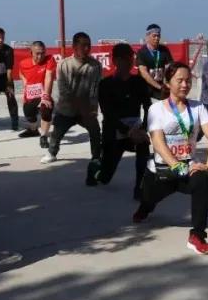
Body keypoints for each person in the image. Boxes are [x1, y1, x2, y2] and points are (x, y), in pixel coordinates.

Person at [133, 62, 208, 256]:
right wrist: (177, 166)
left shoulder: (198, 107)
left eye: (188, 81)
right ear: (167, 83)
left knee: (202, 182)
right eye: (180, 80)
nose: (185, 85)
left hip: (189, 167)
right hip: (162, 171)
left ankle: (197, 236)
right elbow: (157, 142)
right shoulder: (156, 109)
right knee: (148, 199)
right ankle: (145, 208)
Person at [97, 43, 152, 199]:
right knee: (104, 177)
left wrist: (143, 128)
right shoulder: (105, 84)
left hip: (136, 131)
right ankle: (97, 168)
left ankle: (140, 187)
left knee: (143, 144)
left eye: (130, 58)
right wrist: (128, 131)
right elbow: (108, 114)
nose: (128, 62)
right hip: (114, 133)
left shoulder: (139, 82)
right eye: (124, 59)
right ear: (115, 61)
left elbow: (149, 107)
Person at [44, 32, 103, 168]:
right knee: (57, 133)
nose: (87, 48)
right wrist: (76, 104)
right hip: (67, 108)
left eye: (89, 45)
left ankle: (96, 157)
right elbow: (63, 90)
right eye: (83, 45)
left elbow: (95, 89)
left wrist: (93, 108)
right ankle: (52, 153)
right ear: (74, 47)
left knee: (95, 131)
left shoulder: (95, 66)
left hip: (86, 110)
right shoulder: (64, 65)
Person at [17, 41, 56, 148]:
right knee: (28, 113)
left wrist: (46, 96)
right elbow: (21, 73)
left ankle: (44, 136)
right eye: (37, 53)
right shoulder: (23, 63)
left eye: (42, 53)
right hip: (30, 97)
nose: (40, 56)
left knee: (46, 108)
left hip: (43, 95)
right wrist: (25, 85)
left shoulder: (49, 60)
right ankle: (33, 130)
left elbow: (49, 77)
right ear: (31, 53)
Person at [136, 24, 174, 100]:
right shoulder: (141, 52)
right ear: (147, 36)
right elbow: (144, 74)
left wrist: (167, 83)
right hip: (145, 88)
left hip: (160, 87)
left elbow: (170, 68)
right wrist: (159, 87)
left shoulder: (164, 50)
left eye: (158, 36)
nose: (157, 38)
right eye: (154, 36)